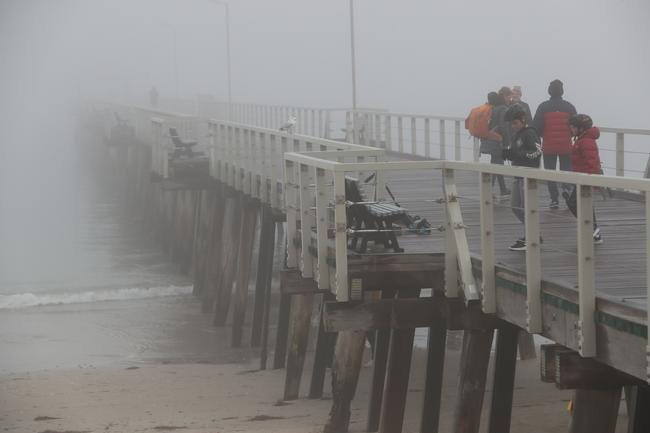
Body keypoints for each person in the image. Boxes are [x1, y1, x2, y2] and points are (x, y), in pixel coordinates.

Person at [502, 104, 542, 251]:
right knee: (515, 207)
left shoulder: (529, 133)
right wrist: (509, 153)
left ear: (523, 119)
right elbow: (518, 151)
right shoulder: (517, 135)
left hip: (528, 175)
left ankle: (531, 236)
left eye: (515, 123)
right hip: (518, 175)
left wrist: (518, 154)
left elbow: (536, 152)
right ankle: (533, 234)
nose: (513, 126)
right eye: (511, 124)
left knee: (526, 207)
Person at [533, 79, 577, 209]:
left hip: (549, 146)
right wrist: (570, 134)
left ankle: (554, 199)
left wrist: (542, 135)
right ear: (562, 91)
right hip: (565, 145)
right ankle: (567, 191)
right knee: (566, 171)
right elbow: (576, 126)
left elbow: (536, 126)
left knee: (550, 172)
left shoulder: (543, 106)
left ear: (549, 91)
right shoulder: (569, 107)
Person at [562, 114, 603, 244]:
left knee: (574, 203)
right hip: (581, 178)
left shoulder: (585, 141)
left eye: (573, 127)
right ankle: (594, 232)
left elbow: (592, 162)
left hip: (586, 179)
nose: (571, 129)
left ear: (581, 128)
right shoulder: (582, 139)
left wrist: (593, 181)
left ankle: (593, 229)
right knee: (586, 205)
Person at [479, 91, 510, 197]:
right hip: (498, 140)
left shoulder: (490, 109)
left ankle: (502, 189)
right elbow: (503, 126)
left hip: (489, 139)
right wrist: (506, 141)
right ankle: (490, 190)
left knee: (496, 163)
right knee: (497, 164)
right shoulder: (503, 109)